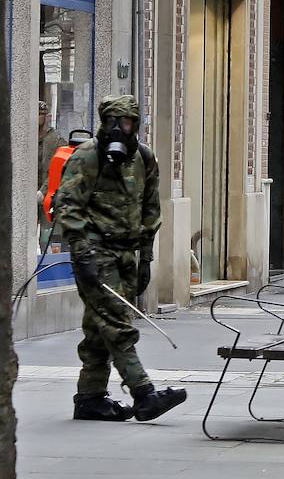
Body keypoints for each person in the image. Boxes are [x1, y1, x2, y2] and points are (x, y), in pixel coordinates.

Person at [52, 95, 186, 423]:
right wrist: (82, 253)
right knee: (116, 323)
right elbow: (68, 206)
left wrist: (146, 258)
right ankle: (144, 393)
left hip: (128, 252)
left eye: (125, 122)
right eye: (113, 122)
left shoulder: (143, 158)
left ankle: (90, 398)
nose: (118, 129)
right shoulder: (87, 157)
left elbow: (151, 208)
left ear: (135, 125)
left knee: (99, 328)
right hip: (96, 252)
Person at [37, 100, 61, 221]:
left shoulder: (56, 140)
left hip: (48, 196)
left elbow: (58, 170)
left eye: (41, 114)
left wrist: (43, 191)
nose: (37, 117)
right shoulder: (27, 138)